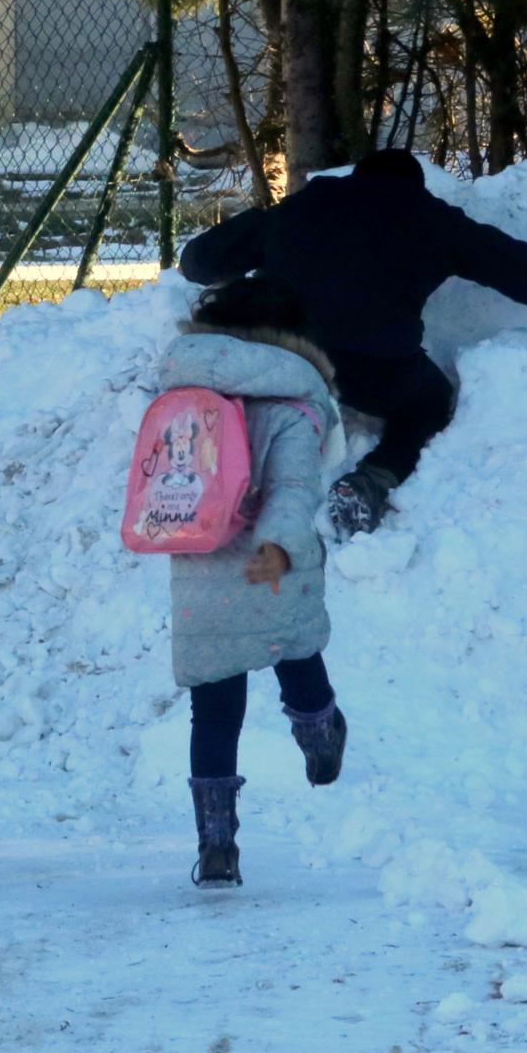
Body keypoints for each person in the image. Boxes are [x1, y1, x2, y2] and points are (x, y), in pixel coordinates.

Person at [178, 148, 527, 535]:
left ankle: (214, 471)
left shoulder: (300, 207)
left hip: (279, 355)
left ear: (355, 178)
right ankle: (372, 479)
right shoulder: (434, 220)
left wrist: (257, 242)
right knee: (430, 402)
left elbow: (196, 261)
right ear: (415, 187)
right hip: (371, 371)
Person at [160, 274, 348, 888]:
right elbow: (295, 487)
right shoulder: (293, 405)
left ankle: (217, 845)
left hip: (201, 571)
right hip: (271, 567)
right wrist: (279, 546)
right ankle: (321, 732)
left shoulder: (186, 395)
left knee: (214, 714)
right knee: (298, 654)